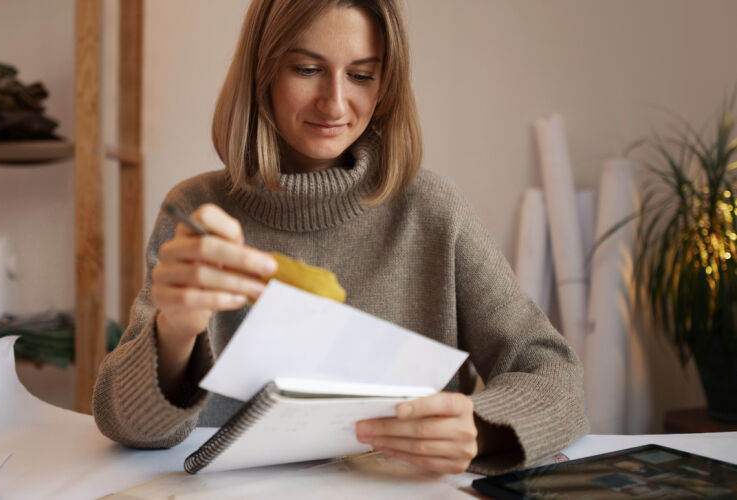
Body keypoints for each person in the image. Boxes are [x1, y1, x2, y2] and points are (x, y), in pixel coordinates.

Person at [93, 0, 587, 475]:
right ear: (262, 72)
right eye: (306, 69)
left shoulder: (432, 210)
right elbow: (129, 428)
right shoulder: (198, 212)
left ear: (386, 86)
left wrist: (480, 427)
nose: (334, 102)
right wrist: (176, 329)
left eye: (361, 75)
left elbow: (556, 376)